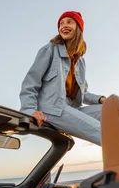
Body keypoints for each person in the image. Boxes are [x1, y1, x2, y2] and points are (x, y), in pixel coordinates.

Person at [19, 11, 106, 146]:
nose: (64, 25)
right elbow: (30, 83)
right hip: (52, 108)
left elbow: (84, 93)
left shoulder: (80, 62)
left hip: (72, 109)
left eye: (69, 22)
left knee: (112, 112)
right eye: (61, 23)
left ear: (79, 28)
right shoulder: (50, 49)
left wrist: (101, 99)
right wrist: (30, 110)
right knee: (101, 132)